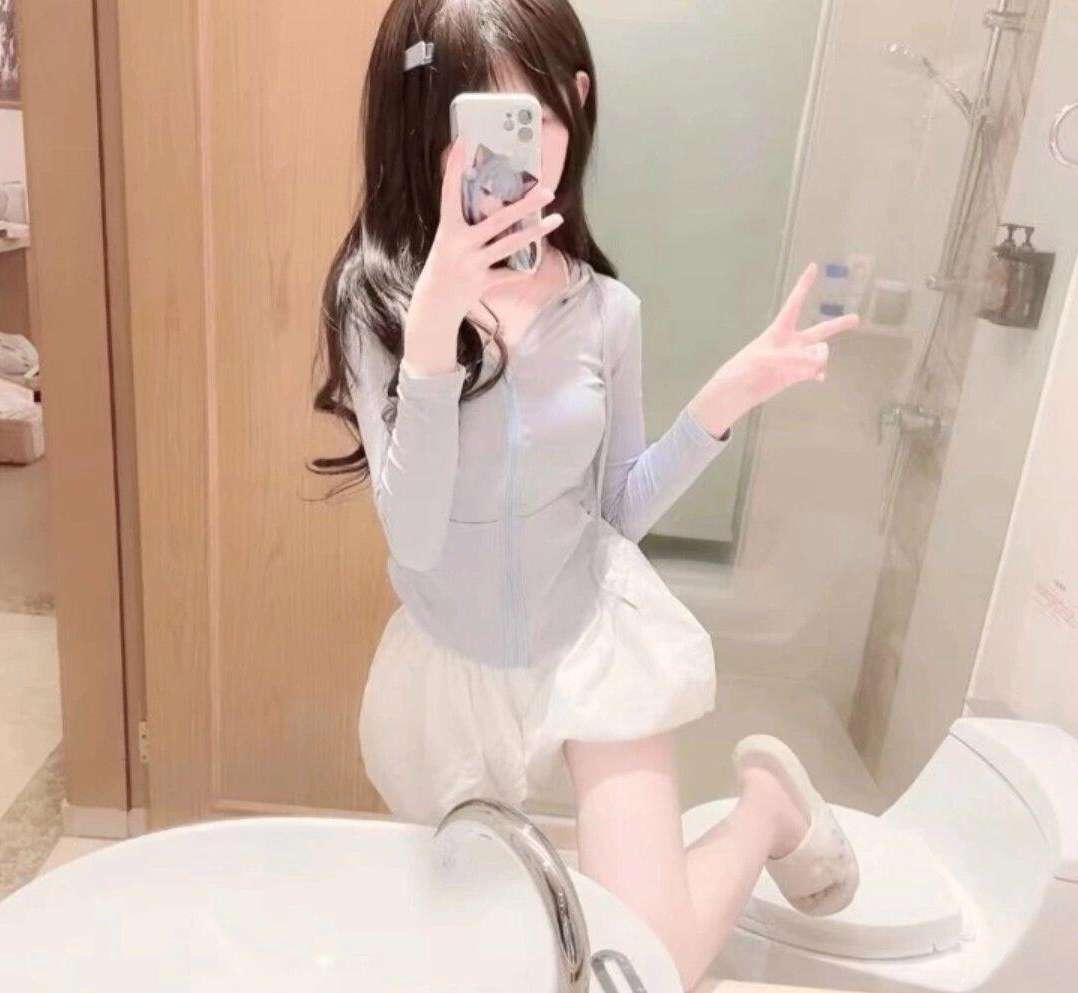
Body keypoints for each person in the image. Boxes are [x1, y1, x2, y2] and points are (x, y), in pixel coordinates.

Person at [310, 2, 861, 988]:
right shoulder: (376, 300)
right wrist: (432, 334)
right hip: (452, 666)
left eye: (532, 119)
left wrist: (721, 402)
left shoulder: (607, 310)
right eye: (473, 122)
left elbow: (616, 516)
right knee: (465, 940)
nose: (508, 159)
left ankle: (766, 810)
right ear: (420, 126)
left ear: (575, 102)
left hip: (590, 640)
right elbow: (415, 536)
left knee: (651, 961)